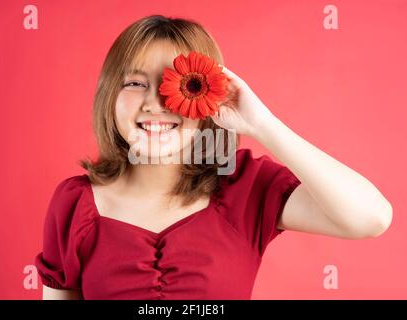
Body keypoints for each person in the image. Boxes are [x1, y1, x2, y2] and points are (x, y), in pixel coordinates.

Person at [35, 15, 392, 300]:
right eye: (134, 83)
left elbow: (370, 217)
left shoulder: (245, 189)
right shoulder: (74, 204)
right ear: (109, 96)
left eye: (177, 85)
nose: (155, 103)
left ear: (207, 100)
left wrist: (261, 123)